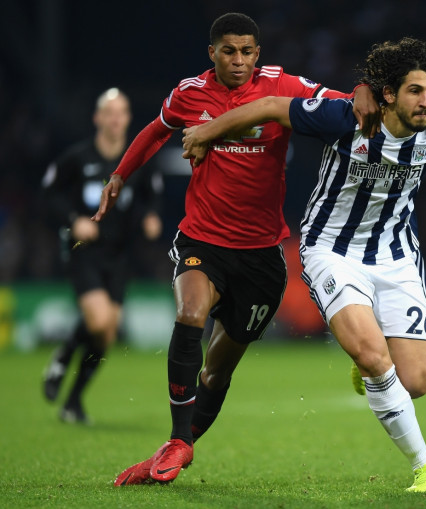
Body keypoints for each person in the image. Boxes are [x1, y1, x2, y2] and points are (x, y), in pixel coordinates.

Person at [181, 37, 426, 493]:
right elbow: (274, 105)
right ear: (389, 93)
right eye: (416, 91)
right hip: (331, 250)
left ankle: (368, 363)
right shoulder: (349, 116)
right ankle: (425, 466)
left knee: (416, 380)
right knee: (375, 358)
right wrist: (208, 131)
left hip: (396, 256)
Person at [91, 13, 380, 486]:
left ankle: (179, 446)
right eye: (229, 51)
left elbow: (341, 103)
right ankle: (178, 439)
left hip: (263, 253)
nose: (239, 60)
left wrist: (365, 88)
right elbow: (155, 130)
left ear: (258, 53)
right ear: (213, 53)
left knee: (217, 370)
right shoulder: (190, 92)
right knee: (190, 313)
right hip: (202, 238)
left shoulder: (281, 85)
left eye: (247, 51)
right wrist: (120, 175)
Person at [41, 87, 164, 424]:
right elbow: (50, 194)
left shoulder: (138, 160)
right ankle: (64, 357)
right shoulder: (78, 158)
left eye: (120, 112)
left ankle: (73, 402)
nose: (114, 119)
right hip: (84, 251)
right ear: (97, 118)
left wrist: (151, 218)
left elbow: (150, 198)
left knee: (106, 334)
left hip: (119, 255)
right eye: (108, 113)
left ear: (127, 118)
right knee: (99, 321)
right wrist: (74, 219)